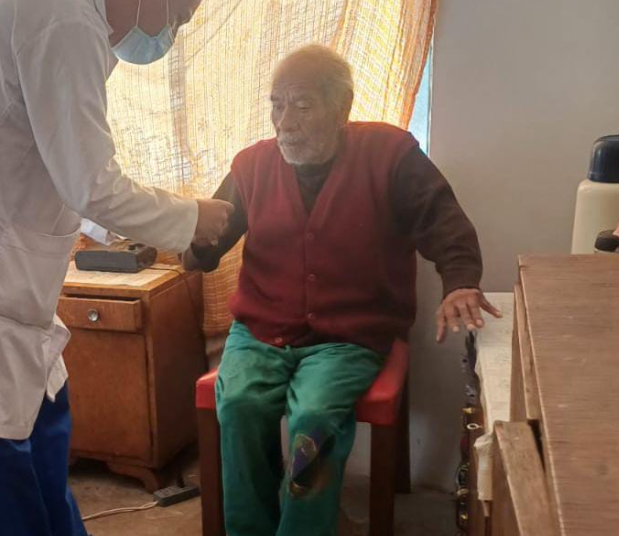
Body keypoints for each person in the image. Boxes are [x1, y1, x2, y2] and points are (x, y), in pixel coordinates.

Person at [0, 1, 229, 535]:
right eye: (179, 14)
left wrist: (123, 231)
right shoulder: (63, 21)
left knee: (44, 409)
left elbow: (59, 162)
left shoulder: (71, 22)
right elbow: (91, 184)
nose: (174, 31)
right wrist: (193, 218)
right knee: (2, 430)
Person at [183, 44, 502, 536]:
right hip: (262, 329)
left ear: (342, 107)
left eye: (302, 105)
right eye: (276, 105)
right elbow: (210, 237)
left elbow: (444, 222)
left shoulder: (390, 155)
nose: (285, 122)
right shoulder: (252, 166)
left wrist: (460, 282)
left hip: (349, 335)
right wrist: (187, 239)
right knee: (240, 405)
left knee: (314, 419)